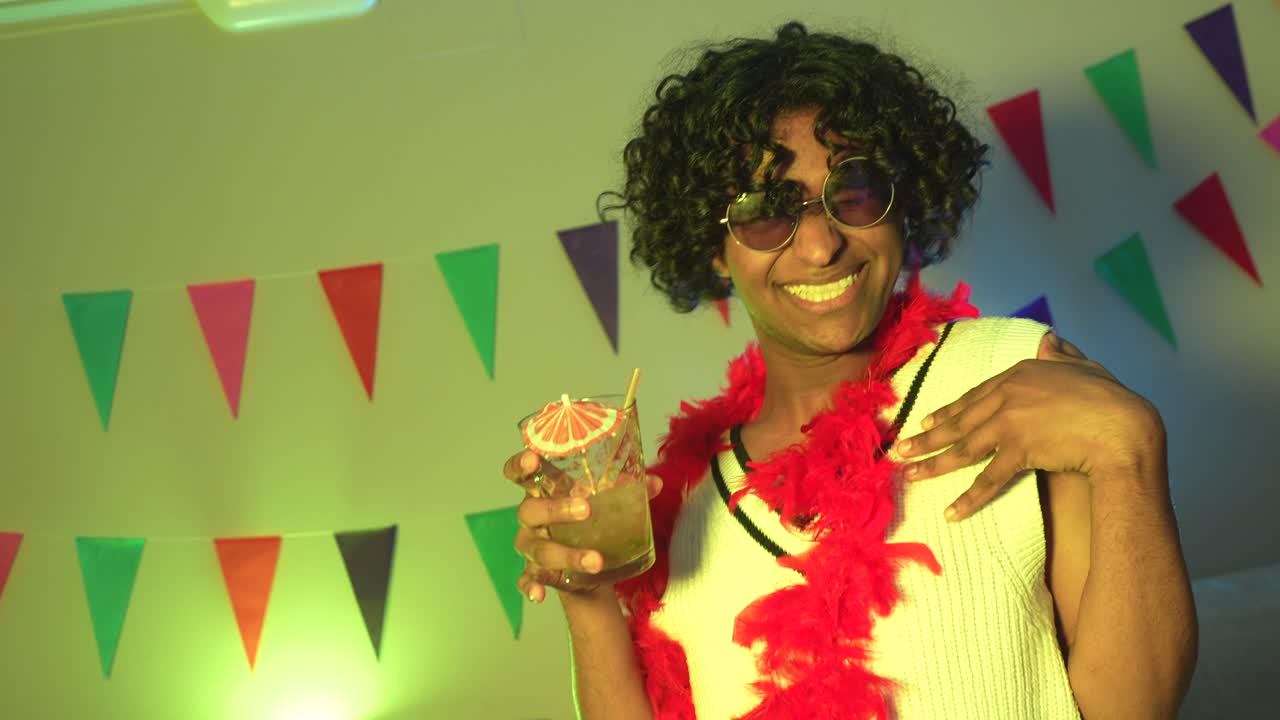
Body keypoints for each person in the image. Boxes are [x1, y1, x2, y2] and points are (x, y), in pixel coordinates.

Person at [503, 22, 1197, 720]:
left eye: (855, 191)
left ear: (903, 199)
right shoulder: (683, 507)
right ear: (713, 247)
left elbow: (1132, 707)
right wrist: (588, 598)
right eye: (764, 212)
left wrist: (1129, 447)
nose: (821, 244)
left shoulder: (1014, 375)